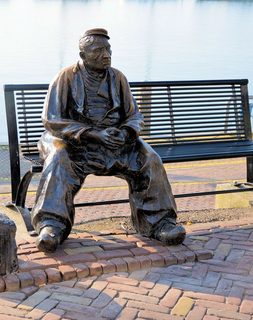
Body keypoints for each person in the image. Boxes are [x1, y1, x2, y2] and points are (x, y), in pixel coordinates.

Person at [31, 28, 186, 252]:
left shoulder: (118, 78)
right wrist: (92, 134)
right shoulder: (65, 78)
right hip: (72, 141)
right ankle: (51, 227)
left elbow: (135, 116)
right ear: (83, 56)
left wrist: (125, 132)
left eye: (108, 50)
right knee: (58, 157)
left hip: (113, 141)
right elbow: (52, 119)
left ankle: (160, 224)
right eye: (98, 51)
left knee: (149, 158)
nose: (106, 55)